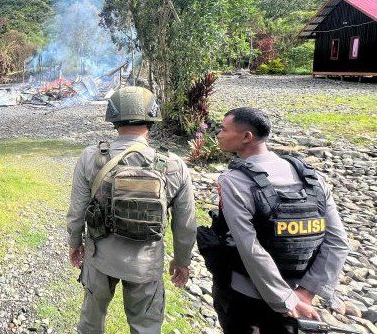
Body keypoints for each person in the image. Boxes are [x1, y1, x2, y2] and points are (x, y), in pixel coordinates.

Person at [66, 86, 197, 334]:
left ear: (113, 119)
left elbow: (77, 210)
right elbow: (186, 224)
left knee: (91, 323)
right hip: (146, 263)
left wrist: (75, 243)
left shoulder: (91, 157)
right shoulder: (173, 165)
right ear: (152, 118)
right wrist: (182, 261)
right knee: (146, 327)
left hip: (99, 257)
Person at [213, 107, 349, 333]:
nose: (218, 134)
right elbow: (337, 242)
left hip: (246, 297)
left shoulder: (234, 181)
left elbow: (249, 248)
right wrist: (305, 293)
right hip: (299, 299)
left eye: (224, 129)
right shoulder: (313, 179)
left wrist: (285, 299)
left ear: (247, 137)